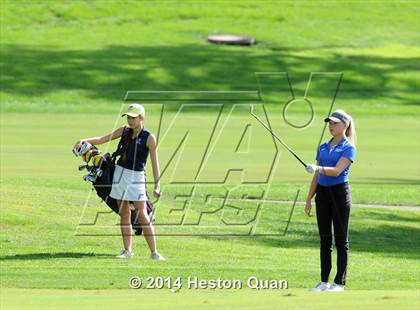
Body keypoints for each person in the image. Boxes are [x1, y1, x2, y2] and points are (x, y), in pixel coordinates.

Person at [73, 103, 165, 260]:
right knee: (124, 213)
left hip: (136, 177)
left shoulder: (149, 138)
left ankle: (154, 252)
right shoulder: (124, 131)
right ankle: (127, 251)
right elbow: (102, 139)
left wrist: (157, 185)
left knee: (142, 214)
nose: (130, 120)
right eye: (128, 117)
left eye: (133, 118)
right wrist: (83, 140)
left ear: (142, 118)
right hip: (120, 174)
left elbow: (155, 163)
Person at [305, 109, 356, 292]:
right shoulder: (323, 147)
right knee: (325, 239)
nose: (331, 126)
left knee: (341, 239)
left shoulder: (348, 148)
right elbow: (317, 177)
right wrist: (309, 198)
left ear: (345, 125)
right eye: (329, 123)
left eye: (335, 123)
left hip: (339, 194)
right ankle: (324, 281)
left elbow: (336, 171)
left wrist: (317, 167)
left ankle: (339, 283)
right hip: (323, 195)